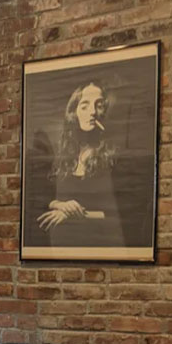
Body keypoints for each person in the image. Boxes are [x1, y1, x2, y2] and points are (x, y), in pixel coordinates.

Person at [36, 80, 124, 246]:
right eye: (84, 105)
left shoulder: (114, 157)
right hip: (61, 247)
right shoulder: (62, 155)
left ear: (104, 112)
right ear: (74, 113)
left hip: (99, 246)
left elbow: (119, 214)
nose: (92, 112)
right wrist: (60, 205)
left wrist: (73, 214)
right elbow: (41, 198)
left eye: (98, 106)